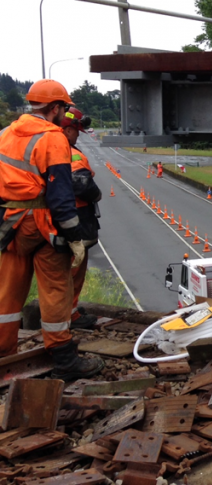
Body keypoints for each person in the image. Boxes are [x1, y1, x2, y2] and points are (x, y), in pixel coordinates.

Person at [0, 80, 104, 380]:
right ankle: (63, 359)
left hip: (11, 223)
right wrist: (74, 238)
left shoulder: (5, 134)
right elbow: (60, 197)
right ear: (56, 108)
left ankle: (4, 353)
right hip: (43, 224)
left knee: (7, 292)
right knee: (56, 288)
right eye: (65, 108)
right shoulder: (53, 138)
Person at [60, 107, 102, 330]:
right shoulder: (70, 153)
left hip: (67, 217)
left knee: (68, 268)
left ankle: (70, 310)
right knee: (75, 267)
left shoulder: (54, 147)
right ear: (67, 130)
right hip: (78, 218)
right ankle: (69, 314)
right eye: (76, 131)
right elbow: (82, 184)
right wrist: (97, 194)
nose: (78, 136)